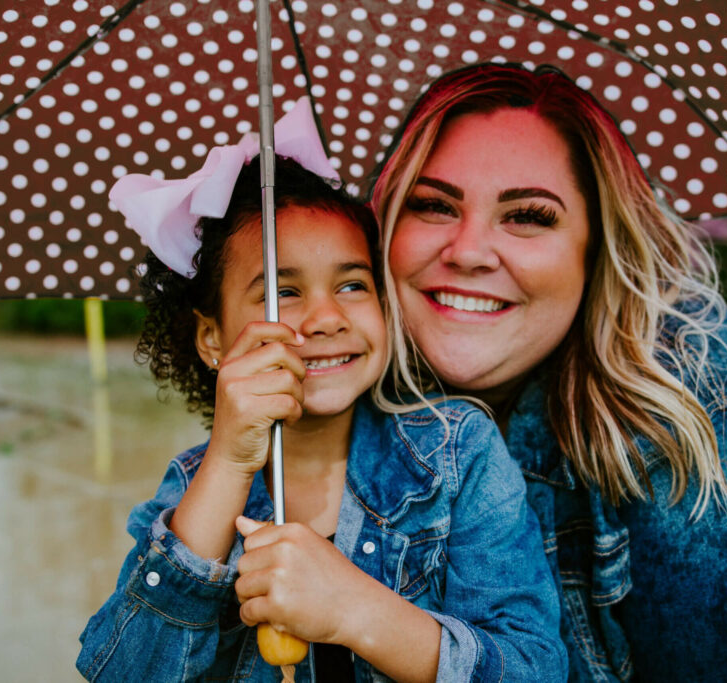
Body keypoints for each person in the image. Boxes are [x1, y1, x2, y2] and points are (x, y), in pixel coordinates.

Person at [370, 63, 727, 681]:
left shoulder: (704, 431)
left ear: (596, 243)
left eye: (528, 215)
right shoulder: (352, 392)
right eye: (432, 205)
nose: (469, 251)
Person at [76, 99, 566, 682]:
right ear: (211, 339)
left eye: (353, 284)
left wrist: (356, 611)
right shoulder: (190, 489)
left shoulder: (458, 454)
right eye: (283, 292)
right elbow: (125, 671)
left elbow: (533, 666)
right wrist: (231, 465)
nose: (327, 317)